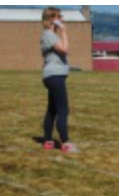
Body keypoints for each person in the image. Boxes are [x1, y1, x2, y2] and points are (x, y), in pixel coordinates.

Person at [35, 7, 76, 154]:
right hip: (55, 76)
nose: (62, 19)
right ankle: (65, 143)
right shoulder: (49, 35)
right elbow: (64, 50)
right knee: (63, 110)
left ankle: (48, 141)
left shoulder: (50, 35)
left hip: (54, 76)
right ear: (52, 19)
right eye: (59, 17)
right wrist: (64, 32)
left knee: (52, 110)